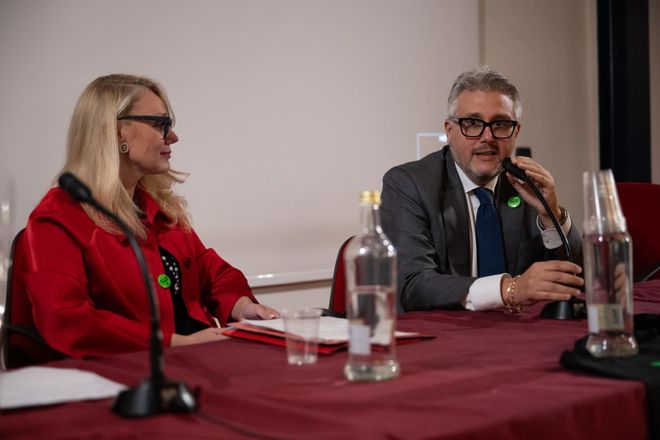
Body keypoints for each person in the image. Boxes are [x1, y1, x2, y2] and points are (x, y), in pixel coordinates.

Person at [13, 74, 279, 360]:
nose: (173, 136)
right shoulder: (57, 218)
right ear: (118, 132)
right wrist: (172, 343)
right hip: (124, 373)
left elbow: (211, 273)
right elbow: (66, 318)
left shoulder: (156, 207)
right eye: (159, 123)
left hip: (194, 361)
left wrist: (241, 307)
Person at [380, 67, 584, 313]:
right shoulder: (409, 184)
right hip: (443, 332)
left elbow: (579, 280)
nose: (487, 137)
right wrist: (511, 289)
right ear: (449, 130)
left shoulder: (523, 183)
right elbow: (414, 285)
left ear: (516, 132)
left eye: (500, 124)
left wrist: (551, 215)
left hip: (515, 331)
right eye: (473, 123)